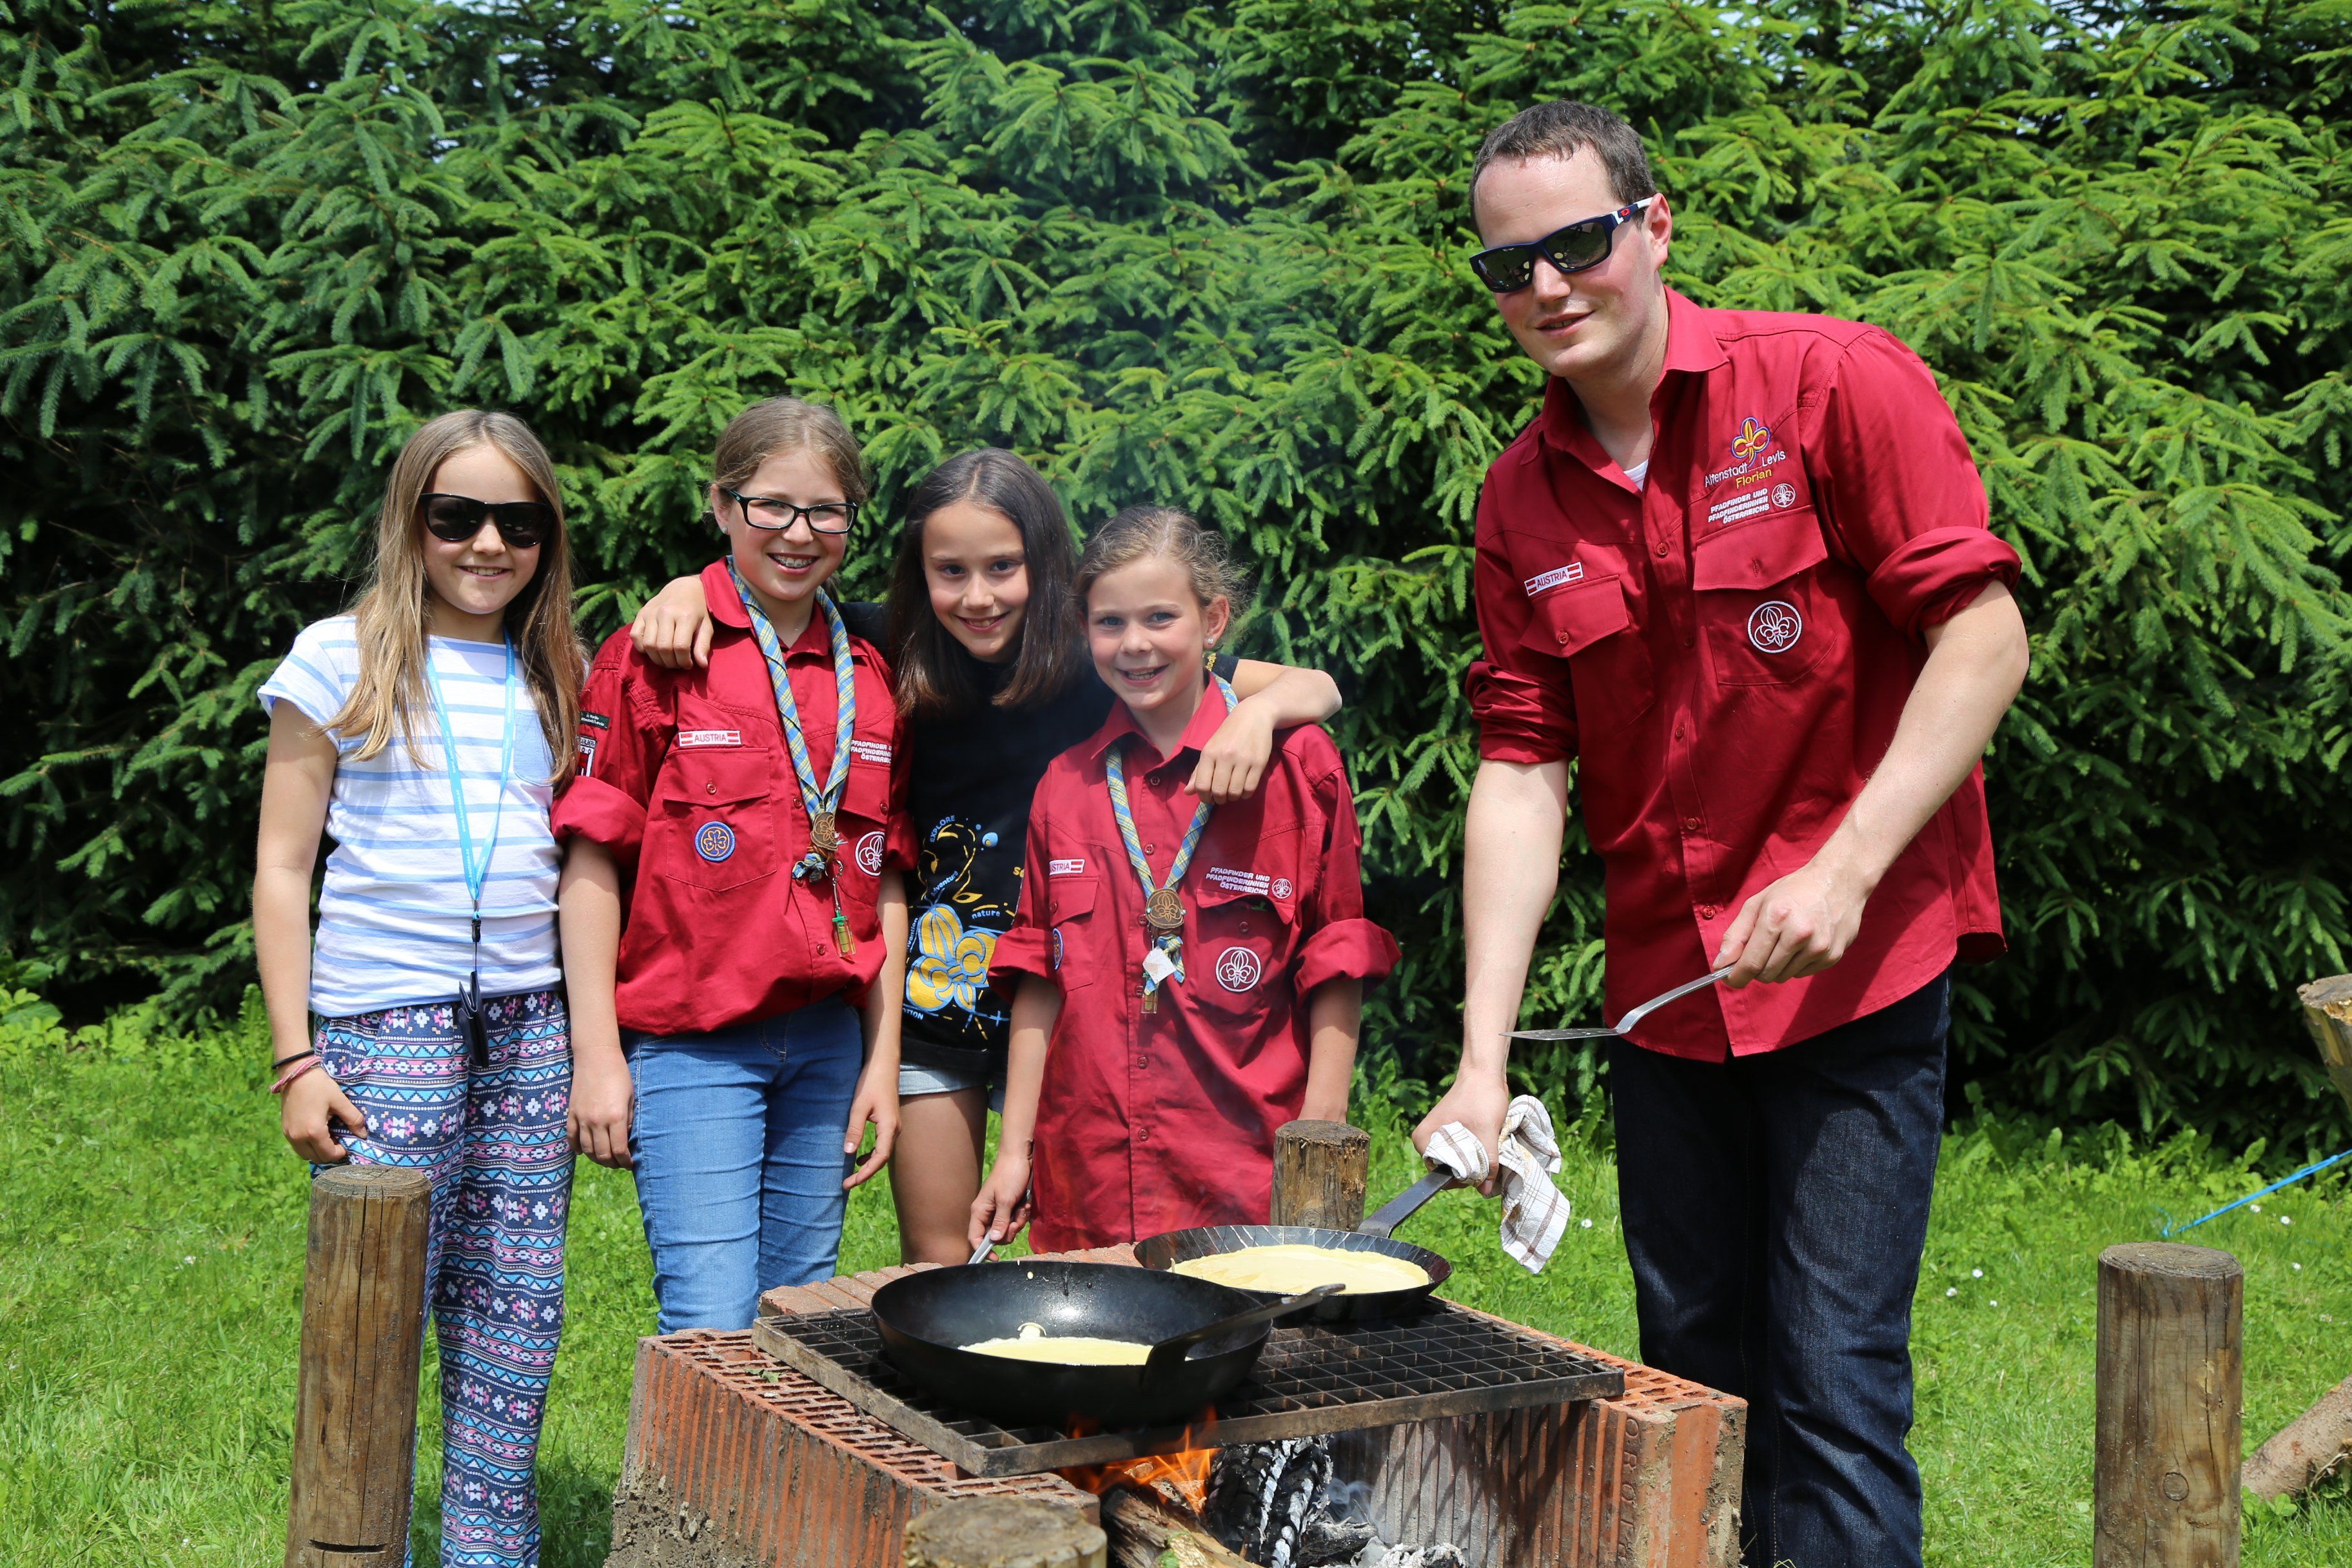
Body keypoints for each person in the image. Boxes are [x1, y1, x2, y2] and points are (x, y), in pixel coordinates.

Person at [1411, 101, 2032, 1568]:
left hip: (1856, 970)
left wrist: (1848, 866)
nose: (1547, 286)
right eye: (1508, 266)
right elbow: (1521, 769)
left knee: (1830, 1379)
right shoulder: (1521, 496)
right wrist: (1484, 1060)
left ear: (1654, 225)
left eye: (1578, 243)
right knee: (1690, 1373)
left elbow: (1982, 634)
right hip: (1669, 998)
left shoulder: (1828, 383)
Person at [628, 449, 1344, 1264]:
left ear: (1045, 563)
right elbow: (770, 599)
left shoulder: (1100, 654)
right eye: (951, 571)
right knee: (942, 1257)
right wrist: (689, 589)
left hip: (1074, 1000)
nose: (978, 596)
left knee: (1095, 1250)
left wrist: (1259, 714)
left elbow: (1316, 683)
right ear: (920, 572)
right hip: (940, 999)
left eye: (1004, 567)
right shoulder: (887, 643)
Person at [253, 409, 582, 1568]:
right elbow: (283, 867)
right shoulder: (337, 656)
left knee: (512, 1322)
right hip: (385, 1021)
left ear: (546, 538)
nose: (488, 544)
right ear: (411, 520)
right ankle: (354, 1547)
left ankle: (492, 1554)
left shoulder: (560, 669)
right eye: (457, 516)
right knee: (376, 1308)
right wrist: (296, 1059)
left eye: (518, 523)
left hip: (532, 1027)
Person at [553, 396, 910, 1332]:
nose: (799, 533)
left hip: (826, 1046)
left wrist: (882, 1059)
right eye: (771, 506)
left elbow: (885, 881)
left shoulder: (871, 677)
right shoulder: (660, 654)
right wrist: (597, 1054)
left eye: (826, 511)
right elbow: (592, 859)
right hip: (695, 1043)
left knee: (798, 1322)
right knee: (709, 1324)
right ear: (720, 504)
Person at [968, 505, 1398, 1253]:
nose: (1135, 643)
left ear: (1214, 620)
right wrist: (1014, 1152)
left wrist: (1322, 1132)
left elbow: (1337, 956)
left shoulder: (1299, 768)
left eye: (1160, 617)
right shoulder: (1066, 787)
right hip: (1089, 1182)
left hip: (1244, 1178)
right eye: (1110, 622)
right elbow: (1039, 978)